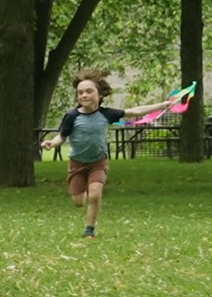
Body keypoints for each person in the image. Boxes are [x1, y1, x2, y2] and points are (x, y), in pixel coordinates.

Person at [40, 68, 177, 239]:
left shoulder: (107, 114)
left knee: (95, 194)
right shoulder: (72, 116)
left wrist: (161, 105)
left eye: (89, 91)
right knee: (78, 202)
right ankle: (83, 190)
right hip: (77, 163)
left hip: (98, 162)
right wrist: (51, 143)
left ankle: (89, 230)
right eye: (80, 92)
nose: (84, 95)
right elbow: (61, 136)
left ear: (100, 94)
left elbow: (134, 111)